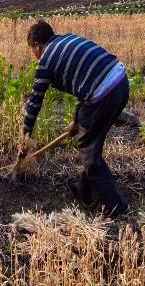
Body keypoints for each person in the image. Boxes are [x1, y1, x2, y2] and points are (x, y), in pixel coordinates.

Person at [18, 19, 130, 216]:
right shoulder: (68, 40)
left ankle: (116, 206)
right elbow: (81, 85)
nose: (34, 56)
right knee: (92, 141)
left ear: (37, 45)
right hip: (120, 82)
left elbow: (35, 101)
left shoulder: (46, 60)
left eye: (32, 50)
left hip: (103, 94)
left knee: (88, 151)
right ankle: (83, 189)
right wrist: (76, 120)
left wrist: (24, 137)